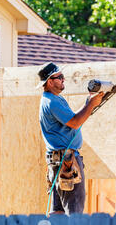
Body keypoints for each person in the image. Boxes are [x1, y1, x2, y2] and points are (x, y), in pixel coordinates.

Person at [37, 62, 103, 215]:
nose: (63, 79)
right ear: (50, 82)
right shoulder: (52, 102)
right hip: (66, 161)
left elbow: (73, 118)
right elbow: (75, 122)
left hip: (58, 161)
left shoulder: (54, 99)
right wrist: (91, 104)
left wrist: (89, 103)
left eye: (62, 76)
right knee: (74, 213)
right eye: (59, 77)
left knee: (58, 213)